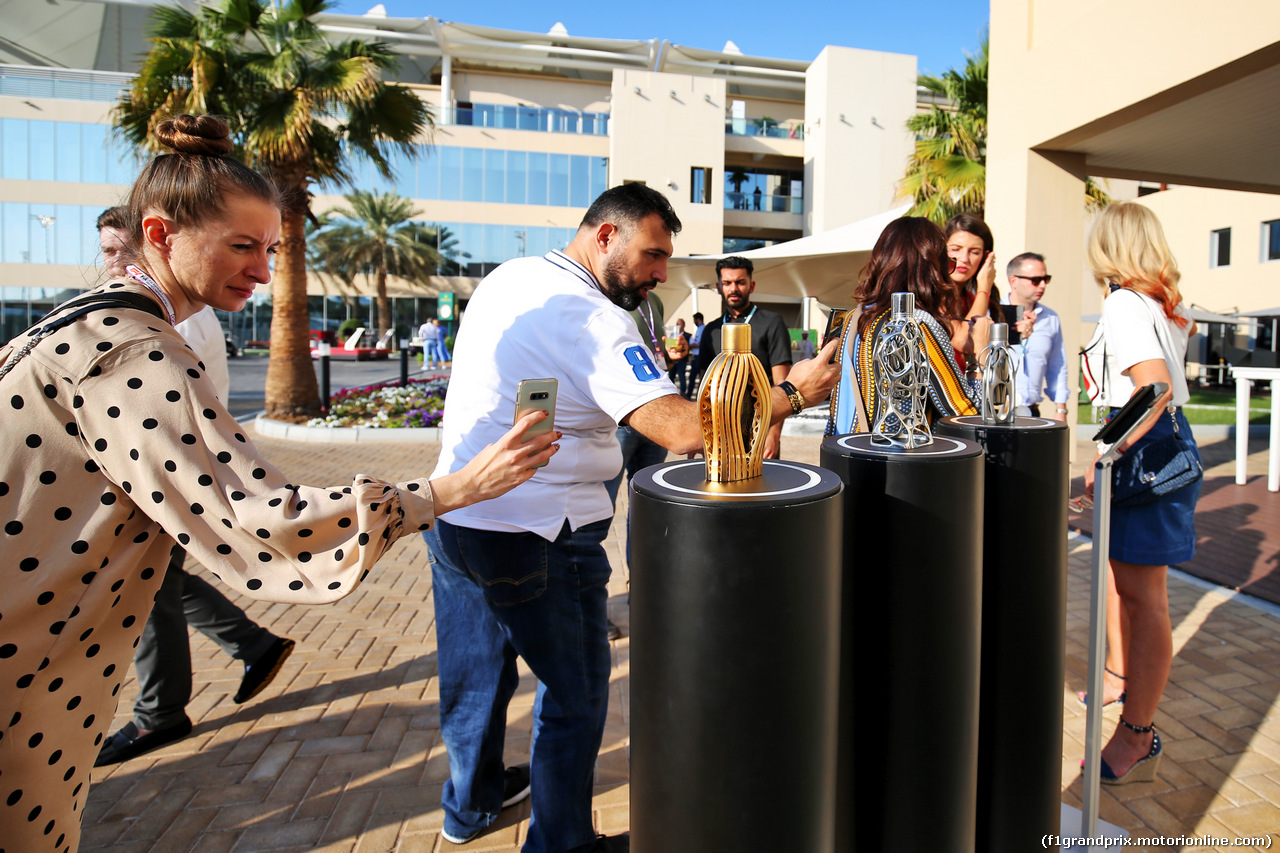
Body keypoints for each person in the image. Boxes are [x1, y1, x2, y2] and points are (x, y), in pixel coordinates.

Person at [0, 114, 558, 853]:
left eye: (269, 249)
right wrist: (448, 491)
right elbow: (262, 520)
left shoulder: (77, 323)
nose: (263, 271)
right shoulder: (134, 350)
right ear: (161, 235)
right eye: (242, 246)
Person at [424, 183, 838, 852]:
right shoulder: (591, 317)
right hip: (540, 536)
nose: (662, 274)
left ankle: (468, 804)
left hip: (458, 515)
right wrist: (793, 393)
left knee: (475, 674)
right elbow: (681, 429)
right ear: (605, 236)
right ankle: (561, 843)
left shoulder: (512, 276)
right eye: (653, 254)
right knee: (577, 694)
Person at [93, 208, 295, 767]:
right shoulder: (153, 313)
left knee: (152, 590)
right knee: (157, 585)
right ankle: (246, 648)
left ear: (151, 243)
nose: (111, 264)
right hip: (160, 472)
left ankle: (164, 709)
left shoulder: (163, 321)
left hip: (162, 474)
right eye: (106, 253)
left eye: (118, 251)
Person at [1082, 201, 1200, 785]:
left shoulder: (1126, 302)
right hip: (1166, 447)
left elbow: (1151, 388)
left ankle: (1138, 732)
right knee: (1134, 593)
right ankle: (1124, 692)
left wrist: (1107, 449)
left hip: (1146, 453)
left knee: (1145, 601)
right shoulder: (1158, 302)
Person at [826, 216, 980, 435]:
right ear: (933, 271)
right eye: (948, 264)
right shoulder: (918, 324)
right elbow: (966, 415)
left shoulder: (853, 318)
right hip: (899, 460)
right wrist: (980, 358)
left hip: (847, 451)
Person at [695, 256, 794, 458]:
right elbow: (705, 388)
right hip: (719, 429)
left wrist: (774, 433)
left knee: (760, 488)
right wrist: (700, 434)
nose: (734, 289)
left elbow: (781, 382)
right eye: (727, 283)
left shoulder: (772, 322)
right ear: (718, 286)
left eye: (740, 282)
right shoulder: (712, 329)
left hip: (759, 427)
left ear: (751, 285)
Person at [1004, 252, 1070, 420]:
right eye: (1035, 281)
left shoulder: (1050, 318)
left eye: (1045, 279)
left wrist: (1060, 409)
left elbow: (1057, 365)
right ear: (1014, 281)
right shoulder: (994, 312)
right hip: (999, 410)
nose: (1042, 285)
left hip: (1031, 412)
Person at [943, 213, 1001, 366]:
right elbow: (963, 341)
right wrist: (984, 288)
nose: (964, 258)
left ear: (985, 258)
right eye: (956, 249)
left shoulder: (972, 298)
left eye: (974, 252)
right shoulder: (932, 294)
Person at [665, 317, 691, 397]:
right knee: (671, 375)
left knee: (681, 376)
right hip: (673, 359)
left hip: (682, 360)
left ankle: (683, 393)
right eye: (677, 324)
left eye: (679, 324)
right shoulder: (672, 336)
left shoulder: (688, 336)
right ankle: (671, 392)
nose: (678, 326)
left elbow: (688, 347)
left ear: (684, 325)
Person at [685, 312, 706, 398]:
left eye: (694, 320)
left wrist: (689, 346)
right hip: (696, 356)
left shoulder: (702, 329)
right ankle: (691, 395)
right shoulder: (699, 329)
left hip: (699, 356)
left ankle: (692, 396)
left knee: (696, 377)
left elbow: (699, 344)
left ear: (698, 320)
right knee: (694, 377)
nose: (694, 322)